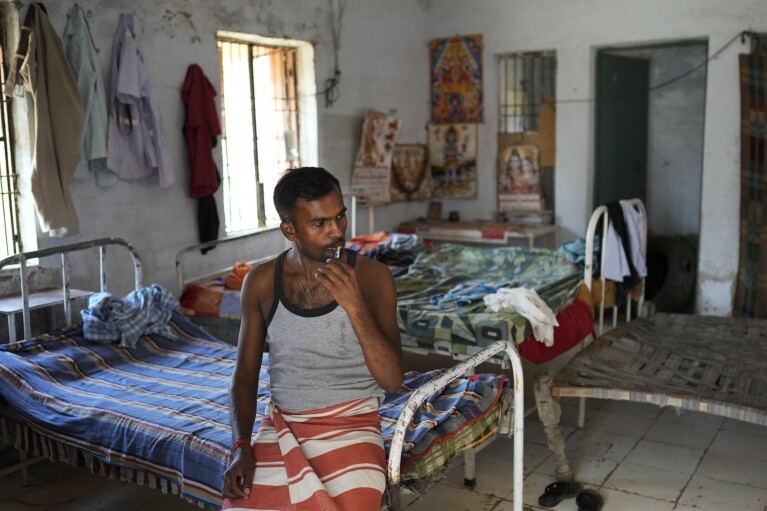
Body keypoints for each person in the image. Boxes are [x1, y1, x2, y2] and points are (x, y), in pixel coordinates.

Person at [221, 167, 403, 511]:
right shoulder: (261, 283)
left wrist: (355, 307)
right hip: (283, 423)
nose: (336, 232)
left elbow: (393, 381)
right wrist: (241, 445)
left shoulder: (374, 278)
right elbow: (244, 377)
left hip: (353, 422)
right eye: (320, 224)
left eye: (340, 217)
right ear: (289, 229)